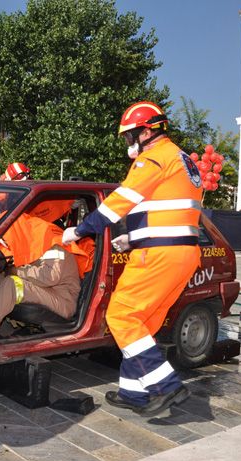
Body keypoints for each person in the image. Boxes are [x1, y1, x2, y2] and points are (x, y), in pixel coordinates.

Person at [62, 101, 202, 416]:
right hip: (181, 251)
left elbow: (120, 202)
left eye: (130, 136)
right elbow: (169, 209)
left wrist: (81, 230)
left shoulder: (153, 158)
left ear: (147, 130)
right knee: (142, 325)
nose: (129, 143)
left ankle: (166, 386)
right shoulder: (179, 158)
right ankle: (134, 393)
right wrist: (133, 237)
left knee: (122, 316)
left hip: (160, 254)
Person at [0, 211, 81, 337]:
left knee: (12, 285)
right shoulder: (35, 246)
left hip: (63, 300)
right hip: (49, 292)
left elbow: (49, 276)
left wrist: (16, 271)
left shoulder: (54, 245)